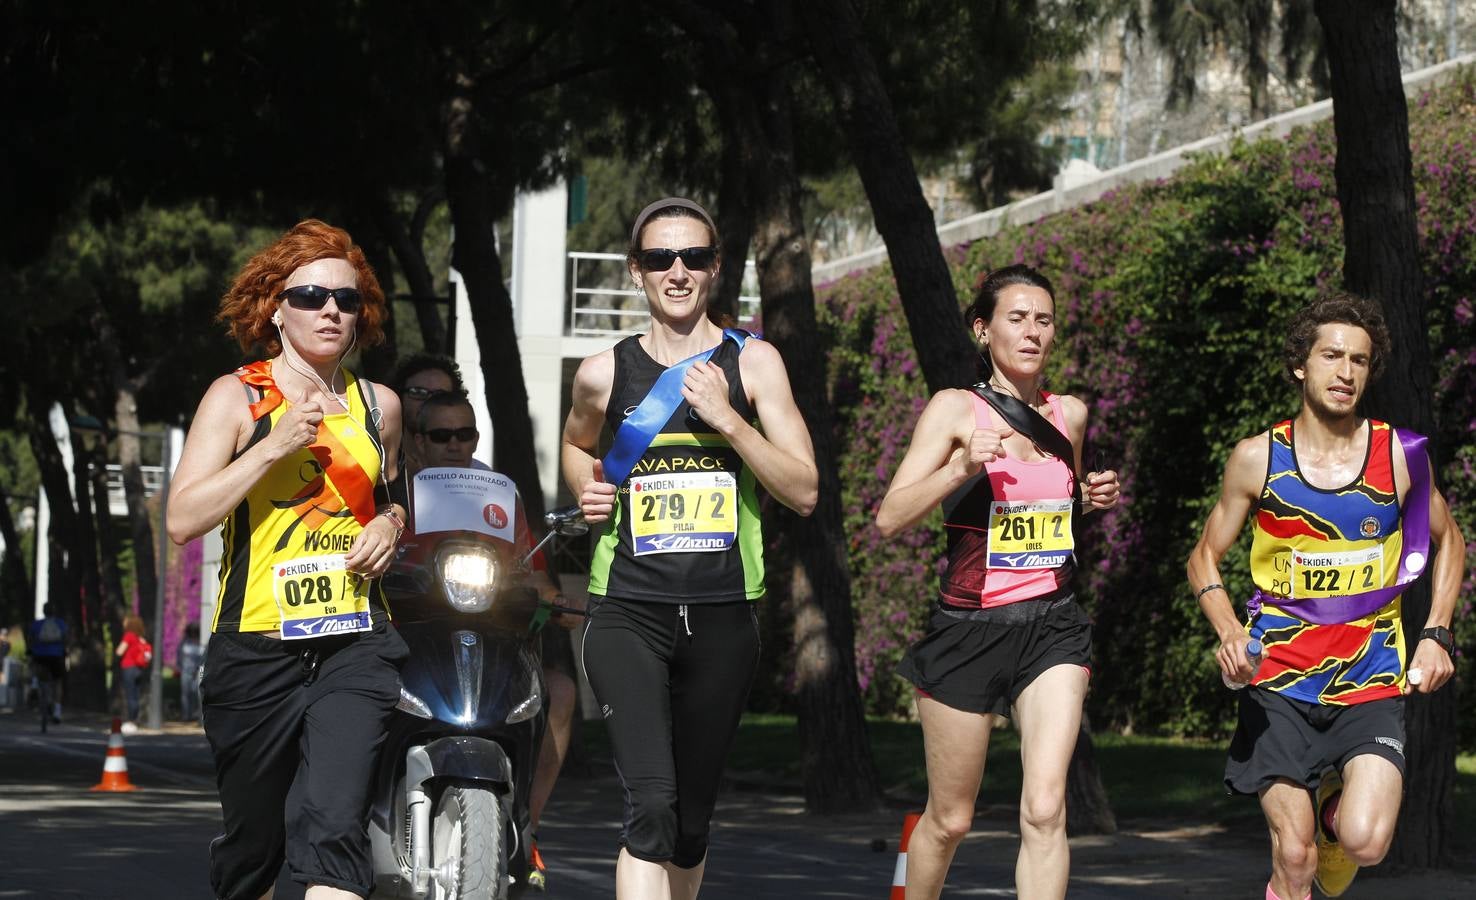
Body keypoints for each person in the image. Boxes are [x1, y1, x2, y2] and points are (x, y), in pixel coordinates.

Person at [562, 197, 818, 899]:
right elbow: (577, 444)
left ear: (715, 268)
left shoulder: (755, 363)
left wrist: (729, 421)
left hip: (723, 613)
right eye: (660, 259)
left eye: (694, 257)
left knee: (690, 821)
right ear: (635, 272)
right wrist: (588, 490)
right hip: (627, 611)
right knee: (649, 807)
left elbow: (803, 491)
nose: (677, 271)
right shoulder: (601, 372)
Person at [1187, 293, 1463, 900]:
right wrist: (1231, 630)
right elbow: (1203, 556)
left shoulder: (1401, 456)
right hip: (1279, 680)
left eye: (1359, 361)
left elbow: (1451, 541)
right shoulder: (1258, 459)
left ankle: (1337, 822)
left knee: (1365, 842)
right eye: (1332, 356)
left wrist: (1438, 631)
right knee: (1293, 855)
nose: (1345, 373)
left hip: (1370, 678)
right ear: (1300, 365)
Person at [166, 219, 409, 900]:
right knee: (256, 848)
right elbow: (183, 518)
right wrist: (271, 448)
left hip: (355, 641)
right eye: (310, 296)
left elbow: (393, 500)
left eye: (347, 298)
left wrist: (390, 524)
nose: (331, 310)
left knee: (334, 826)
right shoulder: (237, 396)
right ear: (275, 307)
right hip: (256, 647)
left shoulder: (377, 406)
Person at [876, 265, 1120, 900]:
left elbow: (1049, 520)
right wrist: (959, 464)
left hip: (1054, 628)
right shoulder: (955, 408)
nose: (1032, 331)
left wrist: (1090, 501)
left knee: (1044, 809)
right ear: (984, 330)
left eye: (1043, 319)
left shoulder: (1069, 414)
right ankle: (908, 892)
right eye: (1017, 318)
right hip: (969, 630)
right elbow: (890, 518)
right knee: (950, 819)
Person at [405, 389, 582, 890]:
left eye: (466, 434)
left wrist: (554, 600)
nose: (456, 445)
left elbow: (536, 572)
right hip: (416, 643)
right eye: (442, 435)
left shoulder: (498, 496)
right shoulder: (396, 495)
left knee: (562, 692)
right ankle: (349, 821)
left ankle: (527, 825)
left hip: (494, 645)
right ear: (417, 441)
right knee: (356, 693)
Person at [392, 353, 464, 470]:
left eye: (440, 395)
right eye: (418, 392)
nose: (428, 401)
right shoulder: (376, 469)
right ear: (398, 397)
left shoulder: (478, 477)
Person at [27, 603, 67, 724]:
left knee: (34, 664)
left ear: (43, 612)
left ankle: (34, 684)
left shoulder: (37, 624)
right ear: (54, 612)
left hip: (40, 655)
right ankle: (57, 711)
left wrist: (30, 648)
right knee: (58, 682)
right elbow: (65, 637)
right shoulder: (60, 623)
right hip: (56, 655)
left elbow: (30, 638)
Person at [116, 613, 153, 732]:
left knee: (130, 695)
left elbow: (120, 651)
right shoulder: (140, 638)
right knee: (136, 695)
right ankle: (135, 720)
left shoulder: (129, 636)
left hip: (129, 667)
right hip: (139, 669)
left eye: (125, 621)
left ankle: (130, 721)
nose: (123, 624)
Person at [178, 622, 204, 722]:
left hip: (196, 671)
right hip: (185, 670)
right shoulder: (184, 642)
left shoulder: (199, 641)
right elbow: (179, 656)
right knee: (185, 693)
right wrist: (180, 666)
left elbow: (201, 656)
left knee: (195, 693)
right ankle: (186, 715)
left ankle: (194, 714)